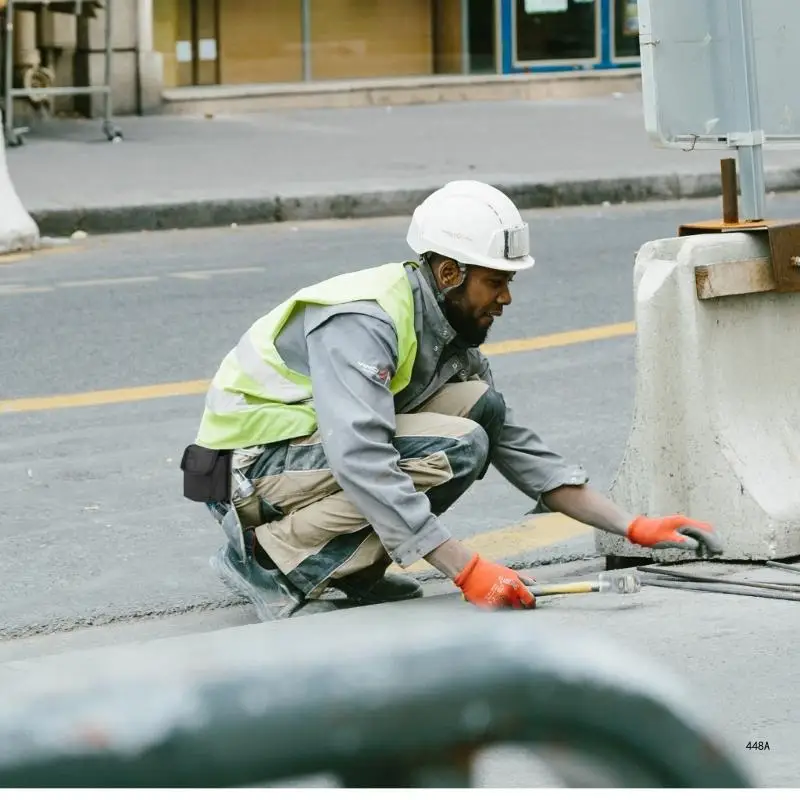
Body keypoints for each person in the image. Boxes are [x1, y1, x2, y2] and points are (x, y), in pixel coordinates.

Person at [183, 180, 721, 621]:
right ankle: (269, 559)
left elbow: (516, 446)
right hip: (241, 471)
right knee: (457, 445)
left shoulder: (445, 329)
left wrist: (632, 526)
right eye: (495, 282)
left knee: (481, 410)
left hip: (294, 459)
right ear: (448, 273)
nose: (506, 298)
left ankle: (350, 571)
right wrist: (464, 568)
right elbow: (360, 457)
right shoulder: (365, 320)